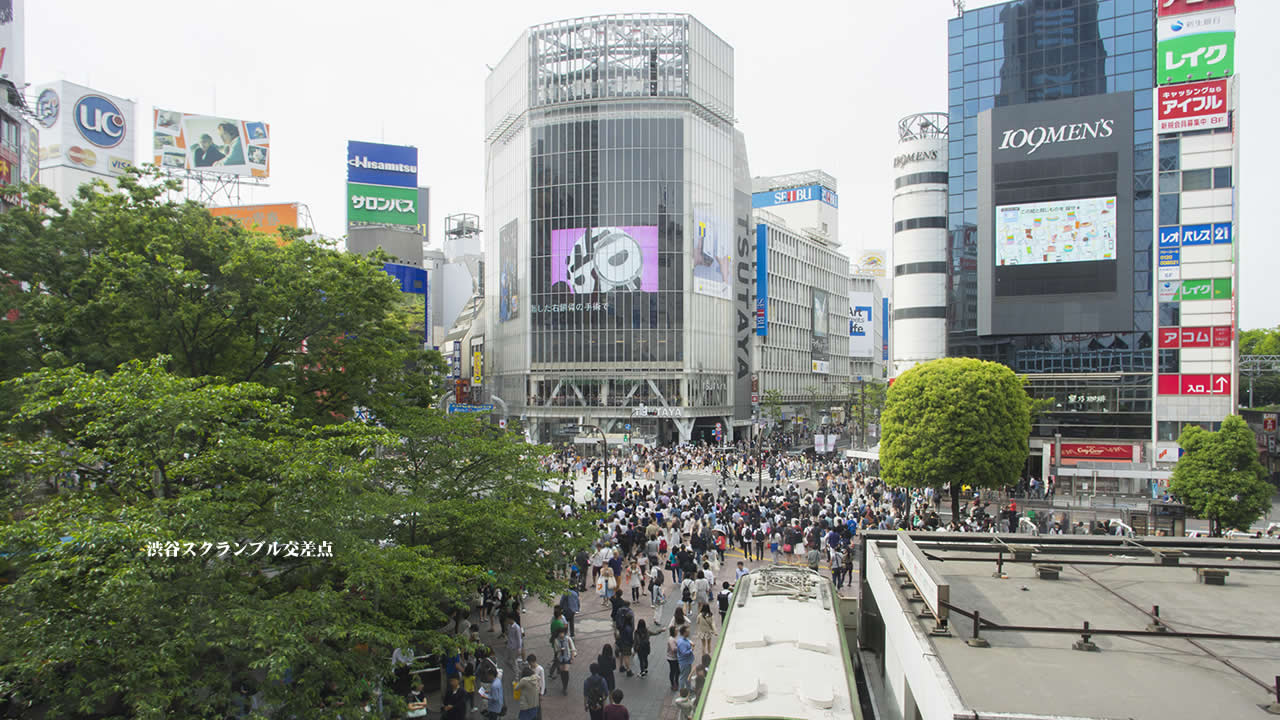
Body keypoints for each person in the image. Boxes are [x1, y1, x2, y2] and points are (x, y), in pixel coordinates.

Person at [551, 627, 576, 694]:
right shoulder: (556, 640)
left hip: (567, 657)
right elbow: (556, 650)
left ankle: (565, 687)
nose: (561, 634)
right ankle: (564, 684)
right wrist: (560, 650)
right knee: (562, 672)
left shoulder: (568, 639)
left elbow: (572, 648)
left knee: (566, 671)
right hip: (560, 658)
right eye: (560, 633)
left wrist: (572, 657)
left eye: (562, 633)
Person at [676, 626, 696, 692]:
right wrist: (691, 649)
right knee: (683, 677)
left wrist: (690, 642)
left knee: (687, 675)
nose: (689, 633)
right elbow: (684, 653)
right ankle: (682, 690)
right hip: (685, 662)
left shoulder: (684, 639)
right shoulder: (682, 643)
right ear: (684, 633)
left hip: (687, 661)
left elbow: (687, 640)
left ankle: (688, 688)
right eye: (687, 632)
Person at [665, 626, 681, 691]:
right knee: (673, 671)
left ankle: (676, 682)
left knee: (677, 671)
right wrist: (681, 647)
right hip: (672, 658)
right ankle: (673, 684)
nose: (677, 631)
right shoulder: (671, 639)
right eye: (676, 630)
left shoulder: (675, 637)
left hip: (675, 658)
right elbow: (673, 649)